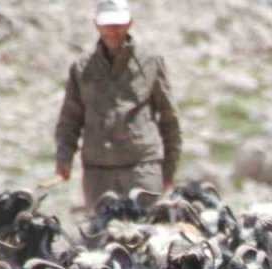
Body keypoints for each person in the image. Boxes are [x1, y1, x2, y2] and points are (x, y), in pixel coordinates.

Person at [54, 0, 181, 208]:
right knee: (99, 228)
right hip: (98, 174)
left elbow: (169, 118)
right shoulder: (81, 68)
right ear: (97, 25)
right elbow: (70, 119)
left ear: (129, 23)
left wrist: (169, 170)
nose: (112, 31)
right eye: (107, 24)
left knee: (148, 226)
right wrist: (63, 158)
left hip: (143, 171)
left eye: (118, 24)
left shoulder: (150, 62)